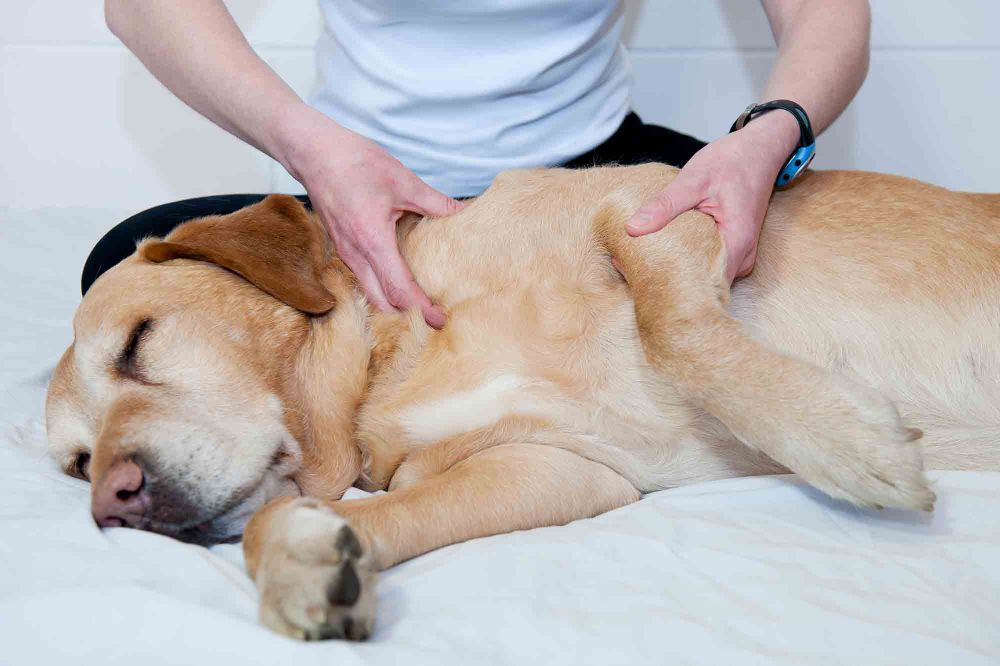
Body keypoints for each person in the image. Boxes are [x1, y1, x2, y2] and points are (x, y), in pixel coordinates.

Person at [85, 0, 871, 328]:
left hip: (589, 186)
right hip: (358, 198)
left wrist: (769, 135)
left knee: (826, 269)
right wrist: (310, 145)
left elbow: (826, 11)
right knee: (126, 276)